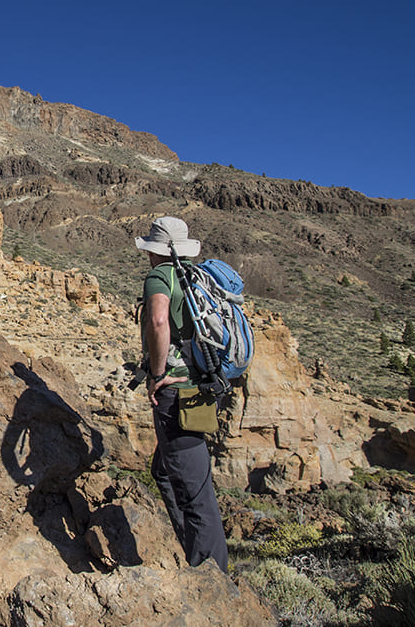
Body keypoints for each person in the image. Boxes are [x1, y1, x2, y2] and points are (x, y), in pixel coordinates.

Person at [135, 216, 228, 572]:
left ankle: (212, 575)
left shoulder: (161, 276)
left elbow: (159, 321)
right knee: (164, 470)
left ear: (156, 251)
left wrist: (157, 374)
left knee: (194, 493)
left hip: (178, 394)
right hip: (205, 387)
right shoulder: (198, 276)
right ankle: (189, 552)